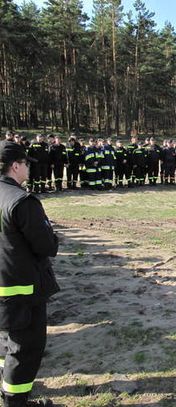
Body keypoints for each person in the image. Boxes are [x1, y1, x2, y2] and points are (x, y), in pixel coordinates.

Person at [0, 141, 60, 407]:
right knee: (25, 350)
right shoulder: (22, 201)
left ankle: (6, 391)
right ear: (15, 166)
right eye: (25, 164)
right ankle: (15, 403)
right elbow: (47, 245)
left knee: (6, 344)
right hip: (22, 290)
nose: (28, 169)